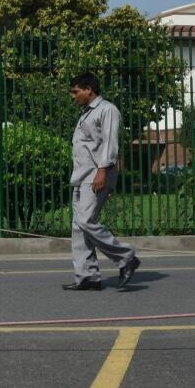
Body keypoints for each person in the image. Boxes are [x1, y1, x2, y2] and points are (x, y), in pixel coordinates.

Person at [63, 72, 140, 291]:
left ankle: (127, 257)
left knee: (86, 221)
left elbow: (110, 143)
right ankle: (88, 276)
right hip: (82, 176)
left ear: (89, 89)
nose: (73, 96)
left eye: (76, 91)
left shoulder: (107, 110)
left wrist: (102, 171)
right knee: (79, 227)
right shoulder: (86, 114)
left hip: (97, 175)